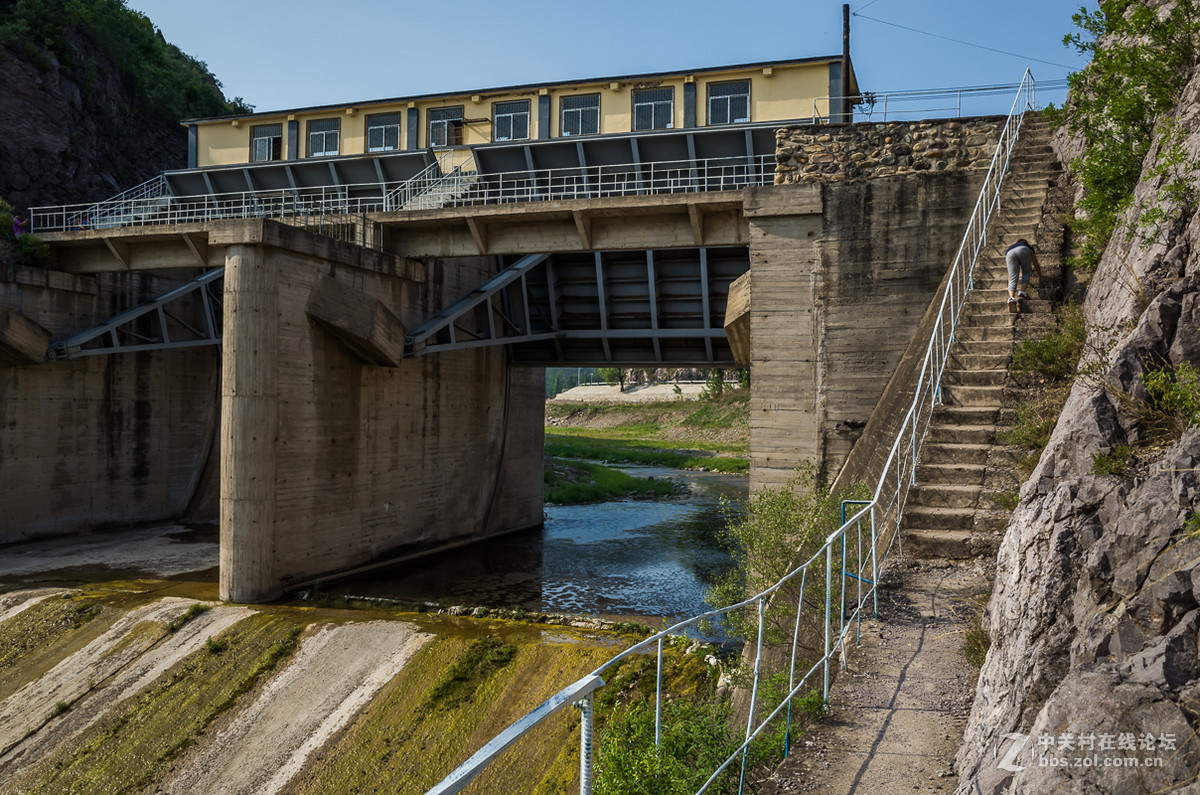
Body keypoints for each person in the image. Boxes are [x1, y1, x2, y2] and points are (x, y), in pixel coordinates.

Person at [1004, 238, 1041, 313]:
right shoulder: (1028, 248)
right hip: (1023, 251)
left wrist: (1009, 286)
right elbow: (1036, 265)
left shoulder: (1012, 246)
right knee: (1026, 272)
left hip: (1009, 252)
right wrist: (1040, 275)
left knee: (1013, 275)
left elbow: (1010, 274)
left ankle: (1011, 298)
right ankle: (1021, 293)